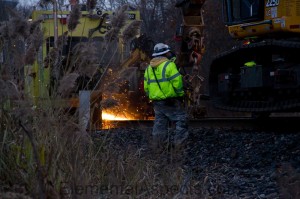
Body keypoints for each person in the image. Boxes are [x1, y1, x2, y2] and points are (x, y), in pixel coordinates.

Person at [144, 43, 188, 148]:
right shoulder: (169, 65)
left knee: (160, 123)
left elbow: (146, 87)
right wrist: (181, 94)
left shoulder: (149, 69)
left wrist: (153, 96)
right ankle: (179, 145)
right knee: (181, 119)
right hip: (170, 100)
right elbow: (177, 83)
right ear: (166, 53)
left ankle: (159, 147)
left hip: (157, 102)